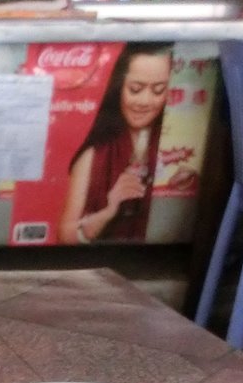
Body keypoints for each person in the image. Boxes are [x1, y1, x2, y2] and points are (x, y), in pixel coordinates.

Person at [59, 43, 174, 245]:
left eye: (158, 91)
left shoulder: (175, 144)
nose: (145, 101)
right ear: (118, 87)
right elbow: (65, 235)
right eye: (135, 89)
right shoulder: (94, 154)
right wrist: (108, 211)